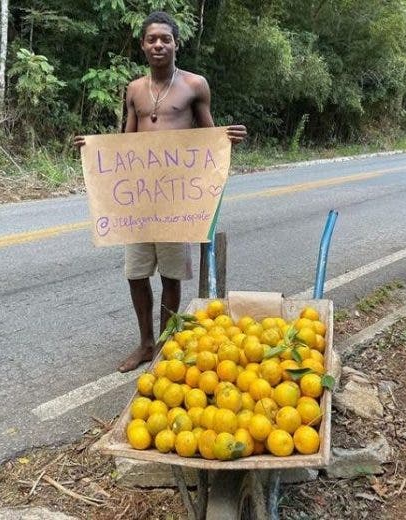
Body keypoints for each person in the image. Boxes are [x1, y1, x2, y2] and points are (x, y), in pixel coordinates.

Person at [76, 11, 246, 373]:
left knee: (170, 275)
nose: (158, 45)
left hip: (175, 199)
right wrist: (94, 152)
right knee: (136, 274)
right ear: (143, 45)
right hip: (139, 199)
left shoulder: (195, 85)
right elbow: (127, 141)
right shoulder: (135, 89)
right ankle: (145, 344)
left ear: (175, 44)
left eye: (165, 39)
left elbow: (207, 137)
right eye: (151, 39)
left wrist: (224, 139)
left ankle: (168, 344)